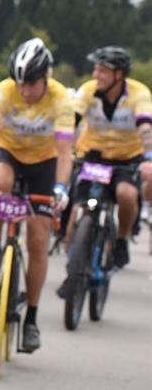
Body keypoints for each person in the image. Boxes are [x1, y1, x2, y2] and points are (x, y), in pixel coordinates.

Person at [0, 38, 73, 353]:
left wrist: (61, 188)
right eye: (21, 83)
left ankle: (32, 319)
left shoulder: (60, 99)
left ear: (46, 78)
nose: (26, 91)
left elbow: (66, 151)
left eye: (33, 84)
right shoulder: (2, 93)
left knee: (38, 240)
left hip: (44, 162)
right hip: (8, 152)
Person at [62, 46, 152, 273]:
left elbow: (145, 127)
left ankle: (121, 239)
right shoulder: (88, 91)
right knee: (76, 211)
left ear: (119, 75)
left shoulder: (138, 94)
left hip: (126, 158)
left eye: (103, 70)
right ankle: (73, 269)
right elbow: (70, 120)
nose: (96, 75)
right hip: (92, 156)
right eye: (95, 69)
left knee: (127, 195)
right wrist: (62, 148)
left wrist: (149, 155)